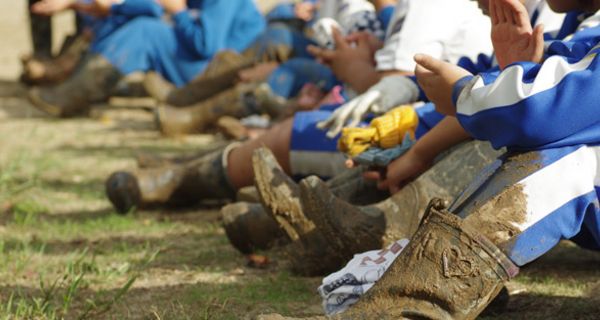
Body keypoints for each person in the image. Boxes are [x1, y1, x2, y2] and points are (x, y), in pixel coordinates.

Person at [268, 0, 600, 318]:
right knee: (492, 123)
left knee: (562, 157)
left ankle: (406, 288)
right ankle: (360, 233)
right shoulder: (576, 21)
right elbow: (511, 83)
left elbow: (536, 109)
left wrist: (460, 97)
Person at [28, 0, 266, 118]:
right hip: (200, 65)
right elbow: (148, 5)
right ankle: (79, 77)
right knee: (136, 20)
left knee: (146, 32)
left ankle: (75, 92)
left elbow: (206, 45)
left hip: (221, 73)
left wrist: (178, 12)